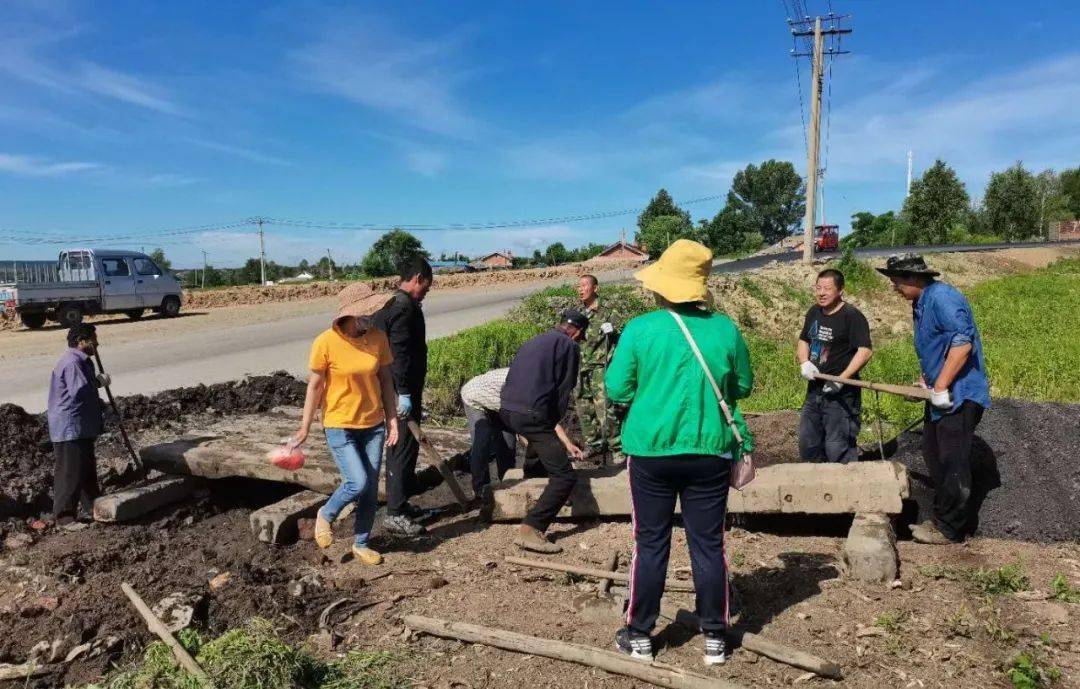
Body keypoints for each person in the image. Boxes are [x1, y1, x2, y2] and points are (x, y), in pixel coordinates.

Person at [605, 239, 753, 666]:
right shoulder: (725, 329)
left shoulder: (640, 329)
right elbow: (742, 386)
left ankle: (638, 633)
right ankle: (715, 638)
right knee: (709, 544)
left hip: (650, 451)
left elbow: (617, 388)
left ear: (664, 286)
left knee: (650, 542)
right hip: (710, 451)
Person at [878, 253, 991, 545]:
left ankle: (950, 529)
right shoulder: (920, 303)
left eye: (897, 282)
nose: (894, 288)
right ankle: (943, 518)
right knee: (933, 454)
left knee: (952, 460)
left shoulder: (942, 297)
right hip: (942, 392)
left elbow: (962, 343)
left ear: (913, 278)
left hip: (960, 393)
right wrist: (927, 382)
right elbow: (938, 346)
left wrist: (940, 385)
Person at [295, 283, 400, 565]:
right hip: (339, 423)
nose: (372, 318)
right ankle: (325, 514)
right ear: (351, 315)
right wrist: (305, 428)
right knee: (357, 481)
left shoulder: (378, 338)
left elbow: (386, 380)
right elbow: (314, 387)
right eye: (367, 313)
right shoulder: (325, 342)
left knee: (369, 488)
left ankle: (362, 542)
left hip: (373, 424)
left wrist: (392, 419)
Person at [499, 310, 588, 553]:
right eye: (580, 337)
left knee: (541, 444)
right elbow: (564, 389)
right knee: (565, 477)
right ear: (577, 332)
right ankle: (532, 528)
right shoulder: (569, 346)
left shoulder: (536, 340)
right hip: (531, 414)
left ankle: (534, 478)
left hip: (506, 409)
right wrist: (553, 423)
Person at [460, 367, 584, 513]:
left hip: (499, 401)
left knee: (508, 444)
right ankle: (481, 492)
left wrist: (568, 444)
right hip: (475, 396)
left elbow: (548, 422)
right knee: (482, 443)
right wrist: (532, 439)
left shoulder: (539, 386)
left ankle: (506, 484)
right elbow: (526, 423)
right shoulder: (525, 387)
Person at [373, 257, 437, 536]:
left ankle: (401, 503)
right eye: (427, 286)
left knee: (406, 447)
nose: (426, 292)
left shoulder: (397, 304)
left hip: (399, 390)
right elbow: (399, 355)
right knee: (400, 447)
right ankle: (395, 514)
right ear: (418, 278)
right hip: (399, 392)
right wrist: (404, 394)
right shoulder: (401, 307)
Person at [796, 268, 873, 464]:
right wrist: (804, 362)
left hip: (841, 395)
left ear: (840, 290)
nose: (821, 293)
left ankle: (845, 489)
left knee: (837, 447)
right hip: (814, 392)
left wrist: (842, 379)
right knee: (808, 443)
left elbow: (864, 351)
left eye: (827, 289)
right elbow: (804, 340)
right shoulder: (814, 312)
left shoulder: (852, 316)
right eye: (818, 288)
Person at [47, 324, 109, 527]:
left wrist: (101, 405)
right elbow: (80, 392)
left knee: (85, 468)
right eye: (94, 339)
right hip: (70, 426)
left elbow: (84, 392)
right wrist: (98, 384)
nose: (97, 343)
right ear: (82, 341)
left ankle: (94, 507)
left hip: (79, 425)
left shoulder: (79, 360)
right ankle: (64, 517)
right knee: (70, 471)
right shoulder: (73, 362)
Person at [576, 274, 623, 461]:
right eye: (578, 286)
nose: (580, 289)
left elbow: (621, 338)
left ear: (595, 288)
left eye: (584, 285)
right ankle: (593, 444)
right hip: (581, 368)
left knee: (605, 408)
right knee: (583, 408)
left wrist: (613, 330)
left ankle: (617, 447)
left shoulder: (608, 312)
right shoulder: (578, 314)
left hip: (600, 367)